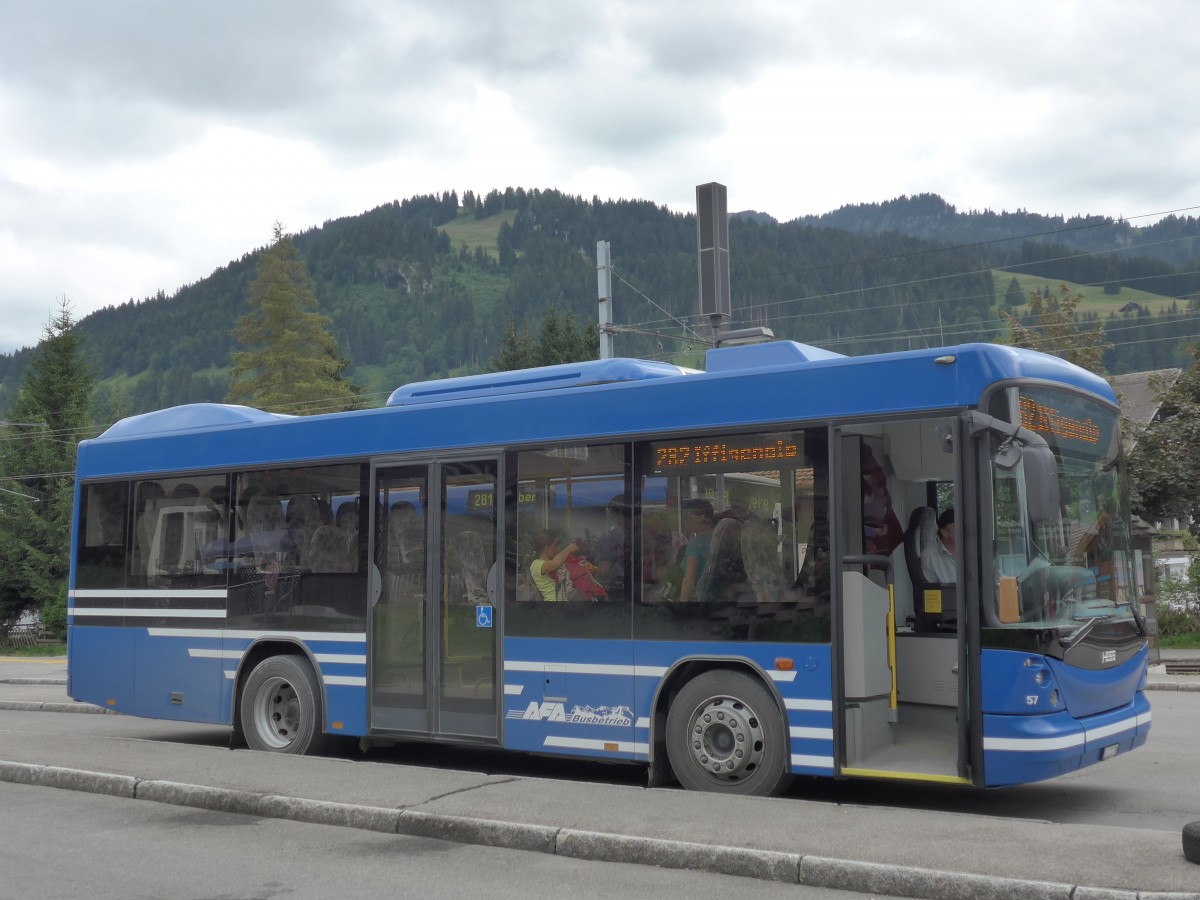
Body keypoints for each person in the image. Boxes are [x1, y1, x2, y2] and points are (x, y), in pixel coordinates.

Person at [678, 498, 716, 603]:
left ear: (701, 517)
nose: (685, 522)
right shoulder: (718, 539)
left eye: (688, 517)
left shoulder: (695, 544)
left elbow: (689, 581)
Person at [529, 529, 580, 602]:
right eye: (556, 545)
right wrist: (569, 549)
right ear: (546, 548)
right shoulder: (536, 564)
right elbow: (556, 563)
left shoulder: (551, 561)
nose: (558, 548)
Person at [921, 507, 956, 583]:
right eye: (959, 526)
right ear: (944, 532)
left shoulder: (975, 553)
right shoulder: (929, 557)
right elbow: (929, 592)